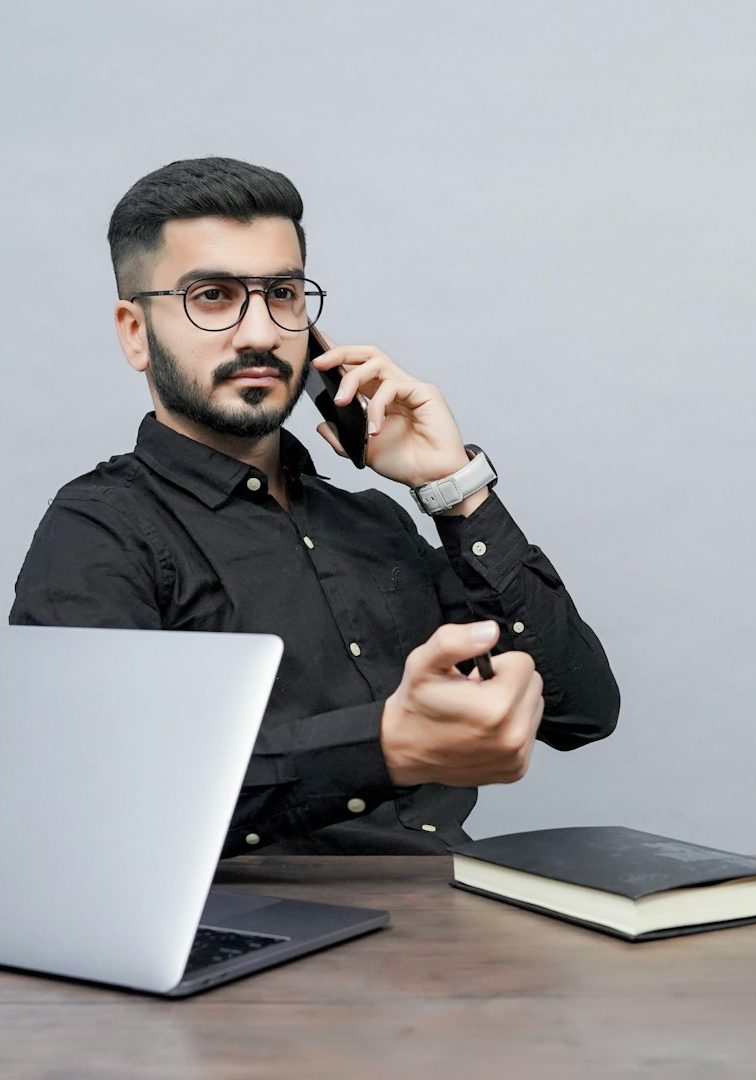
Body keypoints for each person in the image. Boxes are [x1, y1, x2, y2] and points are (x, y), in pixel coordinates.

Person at [9, 157, 619, 856]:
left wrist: (454, 487)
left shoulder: (375, 522)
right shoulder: (99, 532)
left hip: (449, 906)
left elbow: (581, 711)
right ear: (135, 332)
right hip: (253, 919)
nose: (261, 334)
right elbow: (93, 797)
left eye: (283, 294)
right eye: (213, 296)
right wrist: (384, 748)